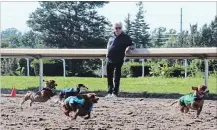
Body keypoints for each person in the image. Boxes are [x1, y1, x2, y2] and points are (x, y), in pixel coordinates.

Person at [105, 22, 134, 98]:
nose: (117, 29)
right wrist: (107, 52)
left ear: (121, 28)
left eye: (119, 28)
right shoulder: (111, 36)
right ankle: (109, 92)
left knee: (117, 77)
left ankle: (115, 93)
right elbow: (108, 45)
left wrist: (129, 48)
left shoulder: (125, 37)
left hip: (119, 58)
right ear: (114, 28)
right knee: (109, 77)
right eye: (116, 28)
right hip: (109, 58)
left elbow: (132, 44)